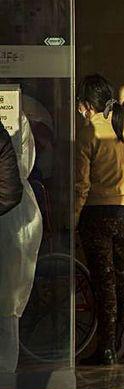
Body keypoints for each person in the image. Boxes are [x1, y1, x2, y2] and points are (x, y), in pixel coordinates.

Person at [74, 74, 124, 366]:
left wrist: (73, 217)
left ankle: (107, 348)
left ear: (86, 104)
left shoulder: (88, 132)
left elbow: (81, 184)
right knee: (117, 279)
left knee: (105, 283)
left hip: (97, 214)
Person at [1, 116, 42, 374]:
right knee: (7, 306)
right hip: (15, 219)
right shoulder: (16, 120)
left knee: (7, 303)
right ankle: (4, 374)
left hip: (12, 221)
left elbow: (10, 188)